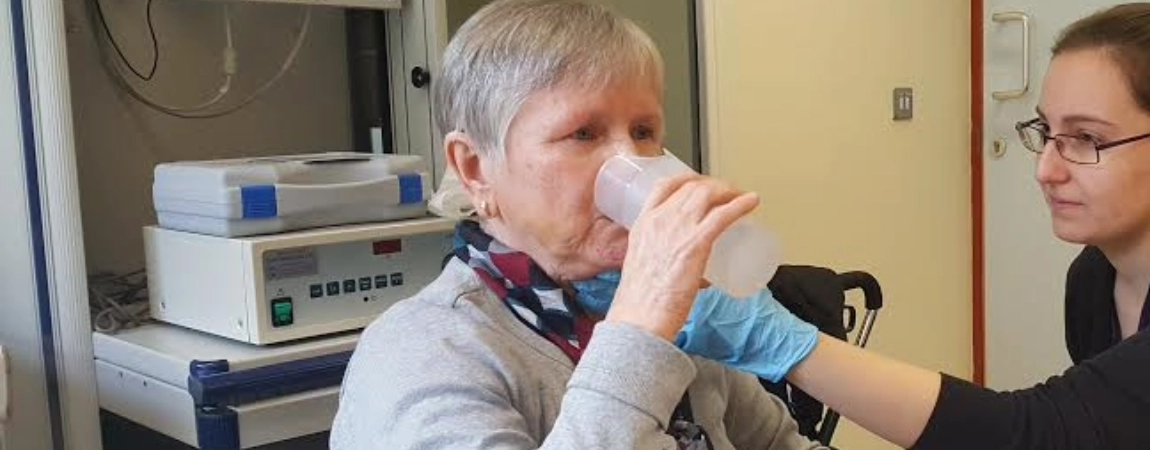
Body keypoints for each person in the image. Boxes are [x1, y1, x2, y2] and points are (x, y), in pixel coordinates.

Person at [575, 4, 1150, 450]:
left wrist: (787, 344)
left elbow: (1037, 435)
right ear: (480, 173)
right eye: (1045, 131)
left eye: (1087, 139)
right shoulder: (1096, 278)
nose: (1045, 169)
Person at [328, 1, 824, 448]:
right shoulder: (422, 353)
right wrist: (640, 329)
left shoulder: (677, 323)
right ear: (475, 169)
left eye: (644, 131)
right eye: (583, 133)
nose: (632, 163)